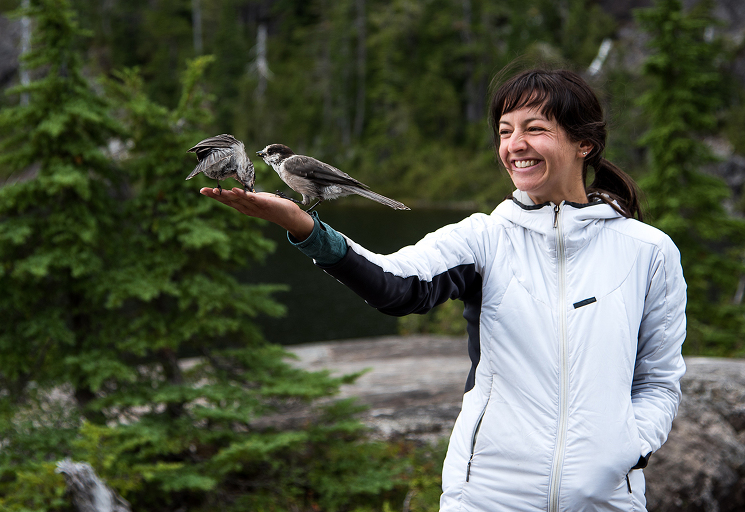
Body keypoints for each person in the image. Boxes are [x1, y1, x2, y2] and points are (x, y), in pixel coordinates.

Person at [200, 68, 686, 512]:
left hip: (608, 503)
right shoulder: (483, 238)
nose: (515, 145)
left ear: (585, 144)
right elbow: (394, 286)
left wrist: (628, 447)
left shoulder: (648, 251)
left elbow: (658, 380)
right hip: (487, 500)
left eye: (534, 128)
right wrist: (308, 229)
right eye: (505, 132)